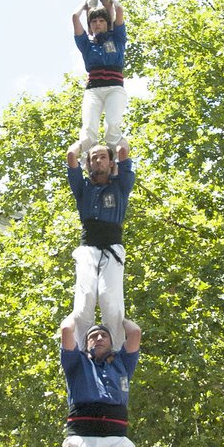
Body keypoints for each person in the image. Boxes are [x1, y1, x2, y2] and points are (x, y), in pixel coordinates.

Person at [65, 142, 135, 352]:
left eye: (103, 156)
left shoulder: (120, 185)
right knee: (83, 301)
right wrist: (87, 139)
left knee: (109, 300)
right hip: (88, 248)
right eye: (94, 157)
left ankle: (114, 352)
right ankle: (82, 351)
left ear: (110, 161)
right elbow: (71, 155)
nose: (98, 160)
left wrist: (112, 136)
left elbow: (123, 151)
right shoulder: (83, 188)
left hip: (112, 247)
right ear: (88, 163)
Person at [57, 316, 141, 447]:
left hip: (115, 438)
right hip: (83, 438)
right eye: (93, 336)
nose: (99, 338)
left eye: (104, 335)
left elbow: (135, 332)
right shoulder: (76, 362)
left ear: (112, 342)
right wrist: (78, 314)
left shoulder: (122, 362)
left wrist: (118, 317)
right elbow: (66, 329)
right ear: (86, 343)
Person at [71, 6, 128, 158]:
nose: (97, 24)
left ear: (107, 23)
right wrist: (84, 6)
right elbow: (75, 18)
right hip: (93, 90)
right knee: (89, 128)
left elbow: (119, 11)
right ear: (90, 26)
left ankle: (115, 162)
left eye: (102, 21)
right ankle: (87, 163)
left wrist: (109, 0)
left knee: (112, 124)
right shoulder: (87, 45)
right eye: (94, 21)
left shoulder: (117, 38)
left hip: (114, 88)